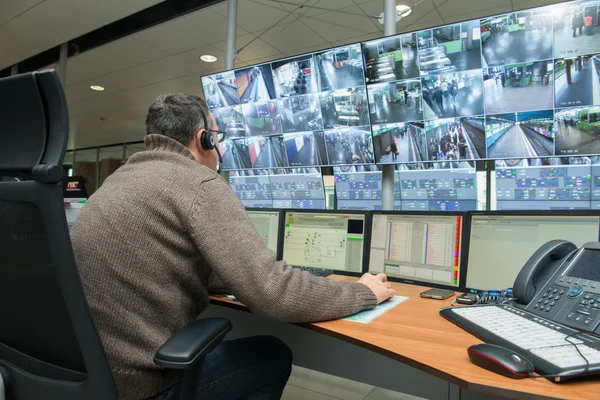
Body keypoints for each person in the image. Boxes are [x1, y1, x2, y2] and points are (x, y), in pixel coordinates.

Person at [70, 94, 395, 400]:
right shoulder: (199, 184)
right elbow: (274, 296)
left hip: (85, 375)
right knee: (272, 353)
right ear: (204, 139)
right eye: (217, 138)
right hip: (142, 385)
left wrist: (242, 274)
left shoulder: (117, 180)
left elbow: (156, 260)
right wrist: (363, 293)